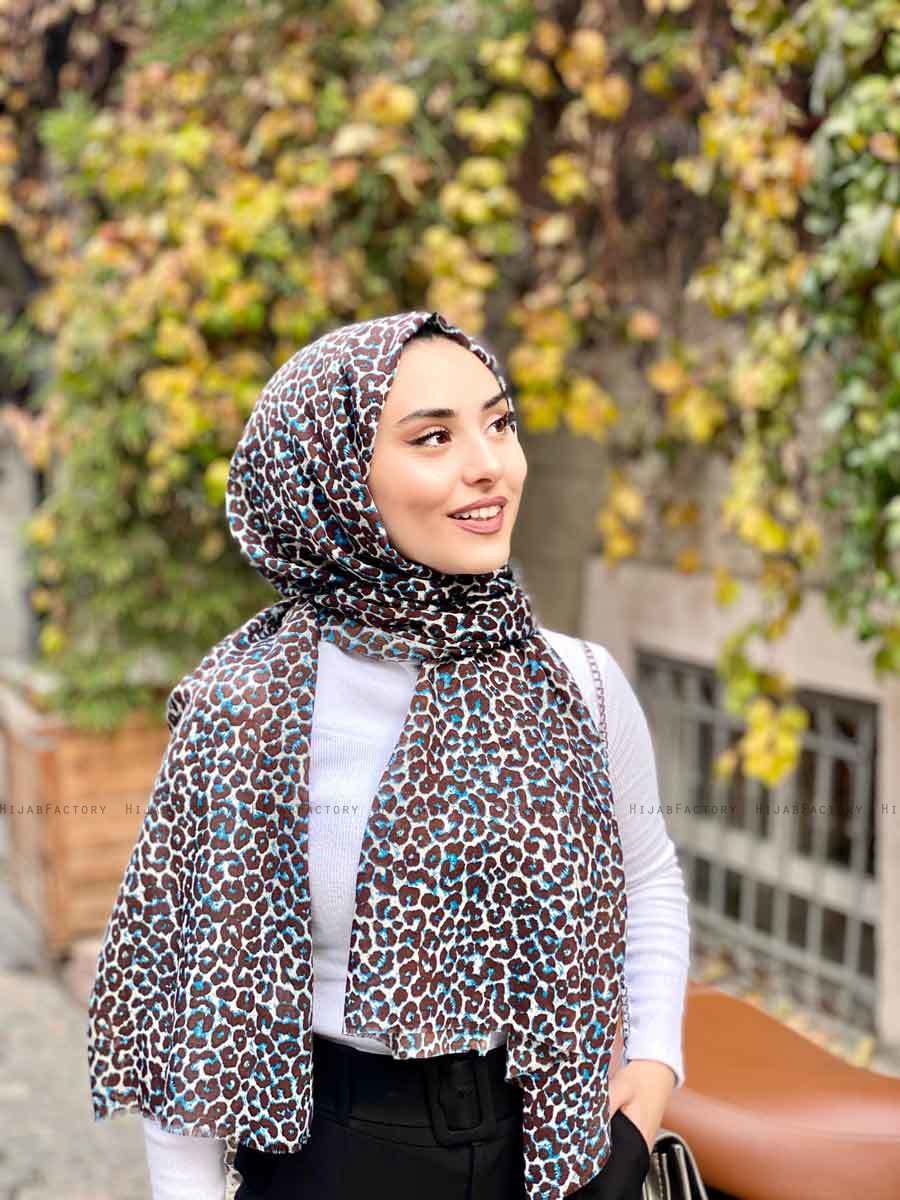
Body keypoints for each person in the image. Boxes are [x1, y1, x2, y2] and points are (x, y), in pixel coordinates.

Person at [88, 311, 690, 1200]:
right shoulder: (247, 711)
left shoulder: (582, 683)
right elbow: (194, 1000)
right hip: (336, 1150)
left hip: (557, 1142)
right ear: (333, 477)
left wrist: (651, 1069)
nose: (489, 464)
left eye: (499, 423)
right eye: (433, 437)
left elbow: (647, 878)